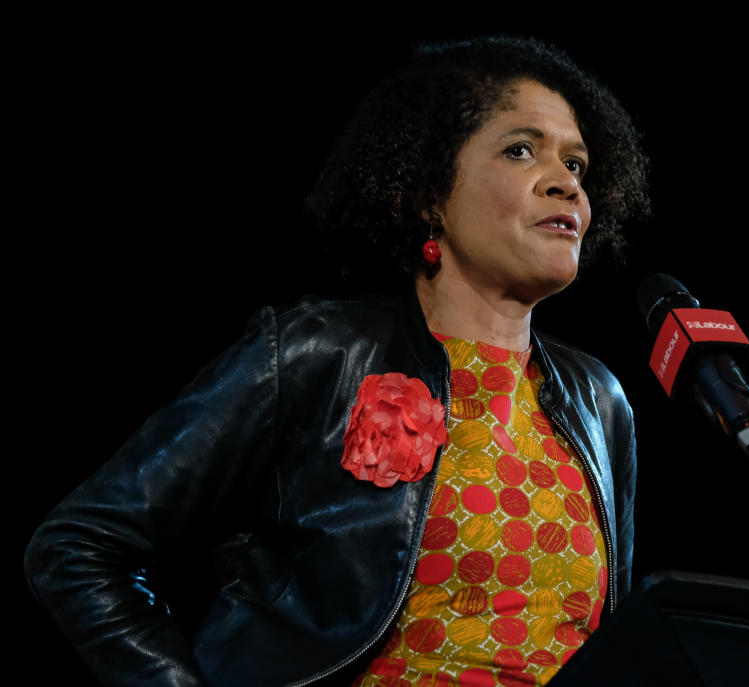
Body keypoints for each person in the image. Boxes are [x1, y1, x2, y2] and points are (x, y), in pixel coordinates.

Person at [24, 36, 649, 687]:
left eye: (576, 164)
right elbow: (77, 547)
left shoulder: (600, 400)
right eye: (521, 150)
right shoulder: (316, 352)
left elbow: (618, 643)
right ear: (428, 190)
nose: (564, 182)